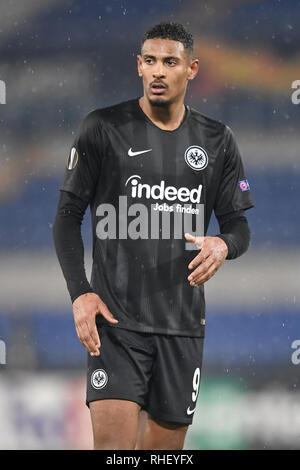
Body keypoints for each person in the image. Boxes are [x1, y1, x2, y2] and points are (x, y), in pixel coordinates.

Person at [53, 21, 254, 450]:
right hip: (115, 324)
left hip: (182, 329)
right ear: (139, 67)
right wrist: (80, 292)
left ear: (192, 69)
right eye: (150, 61)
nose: (158, 71)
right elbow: (67, 217)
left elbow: (238, 226)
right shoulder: (102, 128)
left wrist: (223, 244)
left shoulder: (217, 140)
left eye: (170, 61)